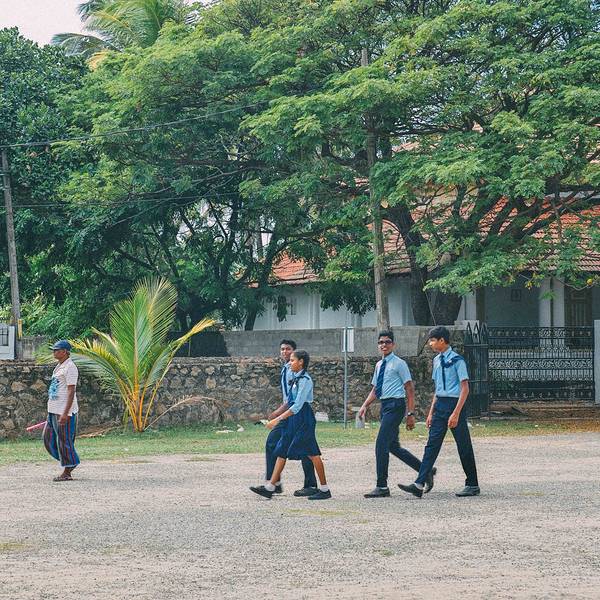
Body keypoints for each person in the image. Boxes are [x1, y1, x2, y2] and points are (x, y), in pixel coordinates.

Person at [399, 326, 480, 498]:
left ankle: (472, 484)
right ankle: (419, 483)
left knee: (463, 445)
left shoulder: (457, 361)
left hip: (454, 404)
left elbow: (465, 389)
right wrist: (431, 413)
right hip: (441, 405)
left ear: (442, 340)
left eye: (432, 340)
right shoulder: (436, 360)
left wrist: (456, 413)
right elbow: (437, 389)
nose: (430, 344)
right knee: (431, 445)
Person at [359, 330, 435, 498]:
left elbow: (409, 388)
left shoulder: (399, 364)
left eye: (387, 342)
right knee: (393, 446)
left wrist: (411, 413)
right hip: (385, 405)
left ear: (393, 344)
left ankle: (382, 486)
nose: (384, 345)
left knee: (381, 444)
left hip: (396, 405)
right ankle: (426, 471)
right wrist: (364, 406)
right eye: (381, 342)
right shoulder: (379, 365)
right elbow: (376, 389)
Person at [250, 350, 331, 500]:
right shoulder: (295, 378)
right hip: (293, 418)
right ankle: (270, 487)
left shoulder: (305, 380)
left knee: (312, 453)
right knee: (282, 450)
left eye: (292, 360)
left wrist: (277, 419)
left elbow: (298, 405)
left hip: (303, 419)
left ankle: (325, 489)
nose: (290, 363)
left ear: (301, 362)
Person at [263, 339, 318, 496]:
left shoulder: (295, 371)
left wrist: (277, 414)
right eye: (282, 349)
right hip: (290, 413)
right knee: (278, 444)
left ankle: (312, 485)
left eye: (288, 349)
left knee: (304, 448)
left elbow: (294, 401)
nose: (284, 352)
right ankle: (273, 483)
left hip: (295, 413)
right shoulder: (287, 369)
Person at [43, 340, 80, 482]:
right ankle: (71, 460)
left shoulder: (70, 367)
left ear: (64, 351)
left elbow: (71, 391)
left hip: (64, 411)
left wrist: (65, 413)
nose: (54, 352)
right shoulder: (59, 366)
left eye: (56, 350)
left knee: (64, 441)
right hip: (53, 409)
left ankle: (67, 471)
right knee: (48, 439)